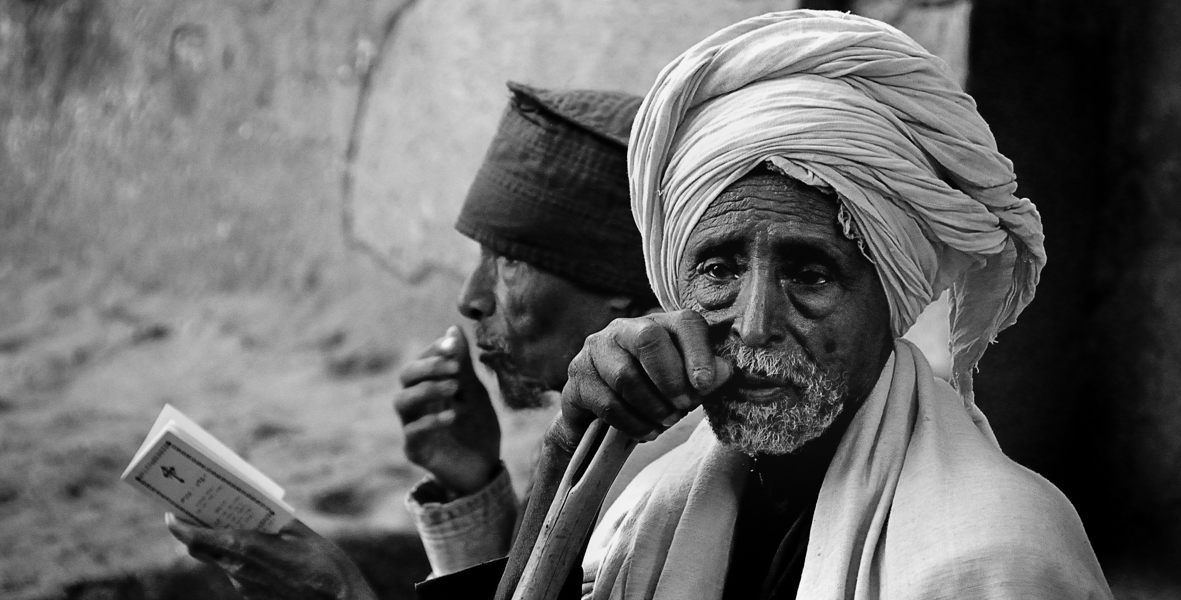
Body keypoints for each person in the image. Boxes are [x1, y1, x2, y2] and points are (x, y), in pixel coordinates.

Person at [430, 10, 1113, 599]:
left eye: (810, 275)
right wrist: (564, 447)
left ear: (891, 295)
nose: (753, 326)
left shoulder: (995, 558)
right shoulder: (646, 512)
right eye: (719, 269)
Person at [164, 81, 702, 599]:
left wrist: (338, 593)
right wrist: (471, 484)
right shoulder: (605, 433)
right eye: (480, 257)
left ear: (619, 283)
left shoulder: (652, 491)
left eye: (510, 262)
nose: (471, 299)